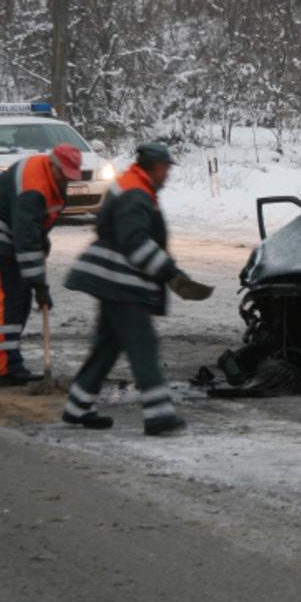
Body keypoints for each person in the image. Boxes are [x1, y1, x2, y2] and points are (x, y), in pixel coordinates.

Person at [61, 143, 214, 435]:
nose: (168, 174)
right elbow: (134, 241)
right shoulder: (137, 192)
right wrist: (169, 272)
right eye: (166, 168)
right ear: (154, 167)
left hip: (111, 278)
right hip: (120, 282)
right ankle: (159, 415)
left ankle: (78, 405)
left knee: (107, 346)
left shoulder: (133, 184)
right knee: (143, 345)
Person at [0, 143, 83, 384]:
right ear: (53, 165)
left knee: (20, 301)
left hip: (15, 237)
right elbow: (26, 242)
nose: (67, 180)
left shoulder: (52, 179)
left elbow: (36, 228)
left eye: (70, 176)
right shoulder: (32, 188)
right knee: (7, 300)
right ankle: (7, 368)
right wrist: (39, 286)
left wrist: (42, 240)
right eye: (63, 174)